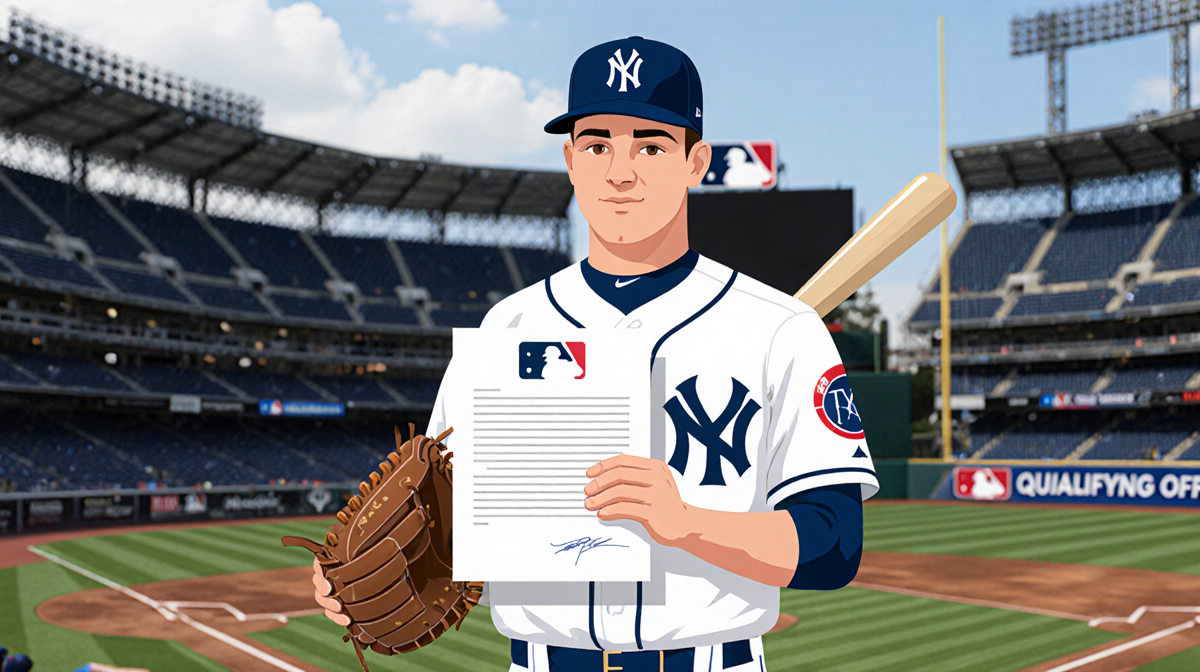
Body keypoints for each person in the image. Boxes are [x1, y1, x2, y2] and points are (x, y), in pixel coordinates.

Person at [316, 36, 877, 671]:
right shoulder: (507, 326)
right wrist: (356, 581)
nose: (621, 170)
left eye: (651, 145)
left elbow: (834, 546)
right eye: (598, 144)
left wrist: (688, 523)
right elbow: (445, 520)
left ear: (696, 162)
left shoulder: (781, 328)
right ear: (571, 160)